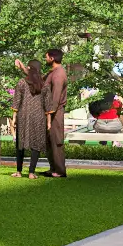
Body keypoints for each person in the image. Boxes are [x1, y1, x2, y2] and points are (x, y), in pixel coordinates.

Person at [11, 61, 50, 177]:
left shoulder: (22, 83)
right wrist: (48, 122)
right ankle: (31, 173)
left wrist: (13, 118)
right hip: (39, 117)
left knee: (20, 143)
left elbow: (17, 101)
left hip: (23, 116)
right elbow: (48, 105)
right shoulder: (44, 85)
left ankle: (18, 171)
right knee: (36, 144)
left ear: (29, 68)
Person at [41, 48, 69, 177]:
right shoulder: (52, 72)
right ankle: (53, 168)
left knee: (56, 140)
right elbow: (38, 81)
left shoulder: (58, 74)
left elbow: (55, 97)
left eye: (46, 57)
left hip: (55, 113)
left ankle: (59, 170)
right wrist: (24, 69)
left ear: (52, 58)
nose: (45, 59)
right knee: (49, 141)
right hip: (49, 113)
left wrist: (49, 114)